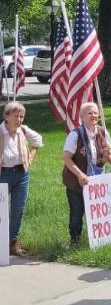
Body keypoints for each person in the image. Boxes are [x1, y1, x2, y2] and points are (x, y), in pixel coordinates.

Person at [63, 102, 111, 246]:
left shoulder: (103, 132)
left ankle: (99, 240)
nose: (94, 115)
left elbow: (108, 154)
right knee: (77, 212)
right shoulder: (75, 135)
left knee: (98, 213)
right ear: (82, 117)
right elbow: (66, 158)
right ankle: (74, 240)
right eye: (89, 113)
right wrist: (79, 174)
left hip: (96, 182)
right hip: (76, 182)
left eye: (95, 113)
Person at [0, 102, 43, 256]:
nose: (19, 119)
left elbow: (38, 140)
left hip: (21, 174)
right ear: (6, 116)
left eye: (22, 116)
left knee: (18, 209)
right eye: (16, 116)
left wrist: (30, 156)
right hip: (2, 174)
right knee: (1, 211)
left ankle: (12, 244)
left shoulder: (22, 130)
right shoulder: (0, 132)